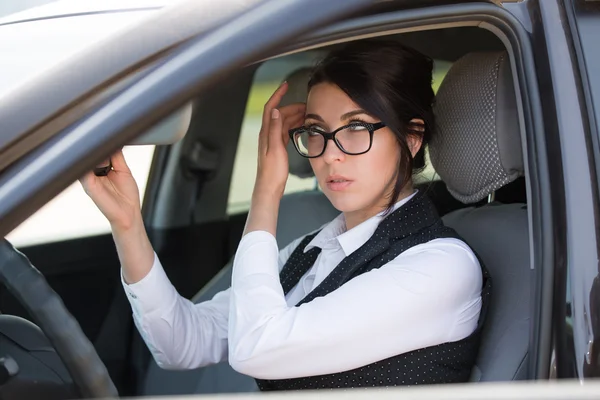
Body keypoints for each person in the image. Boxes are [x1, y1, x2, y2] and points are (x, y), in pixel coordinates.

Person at [80, 39, 489, 390]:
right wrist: (128, 223)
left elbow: (256, 347)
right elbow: (180, 344)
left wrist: (267, 189)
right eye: (316, 130)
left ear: (412, 138)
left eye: (356, 128)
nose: (329, 154)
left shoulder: (441, 267)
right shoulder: (310, 250)